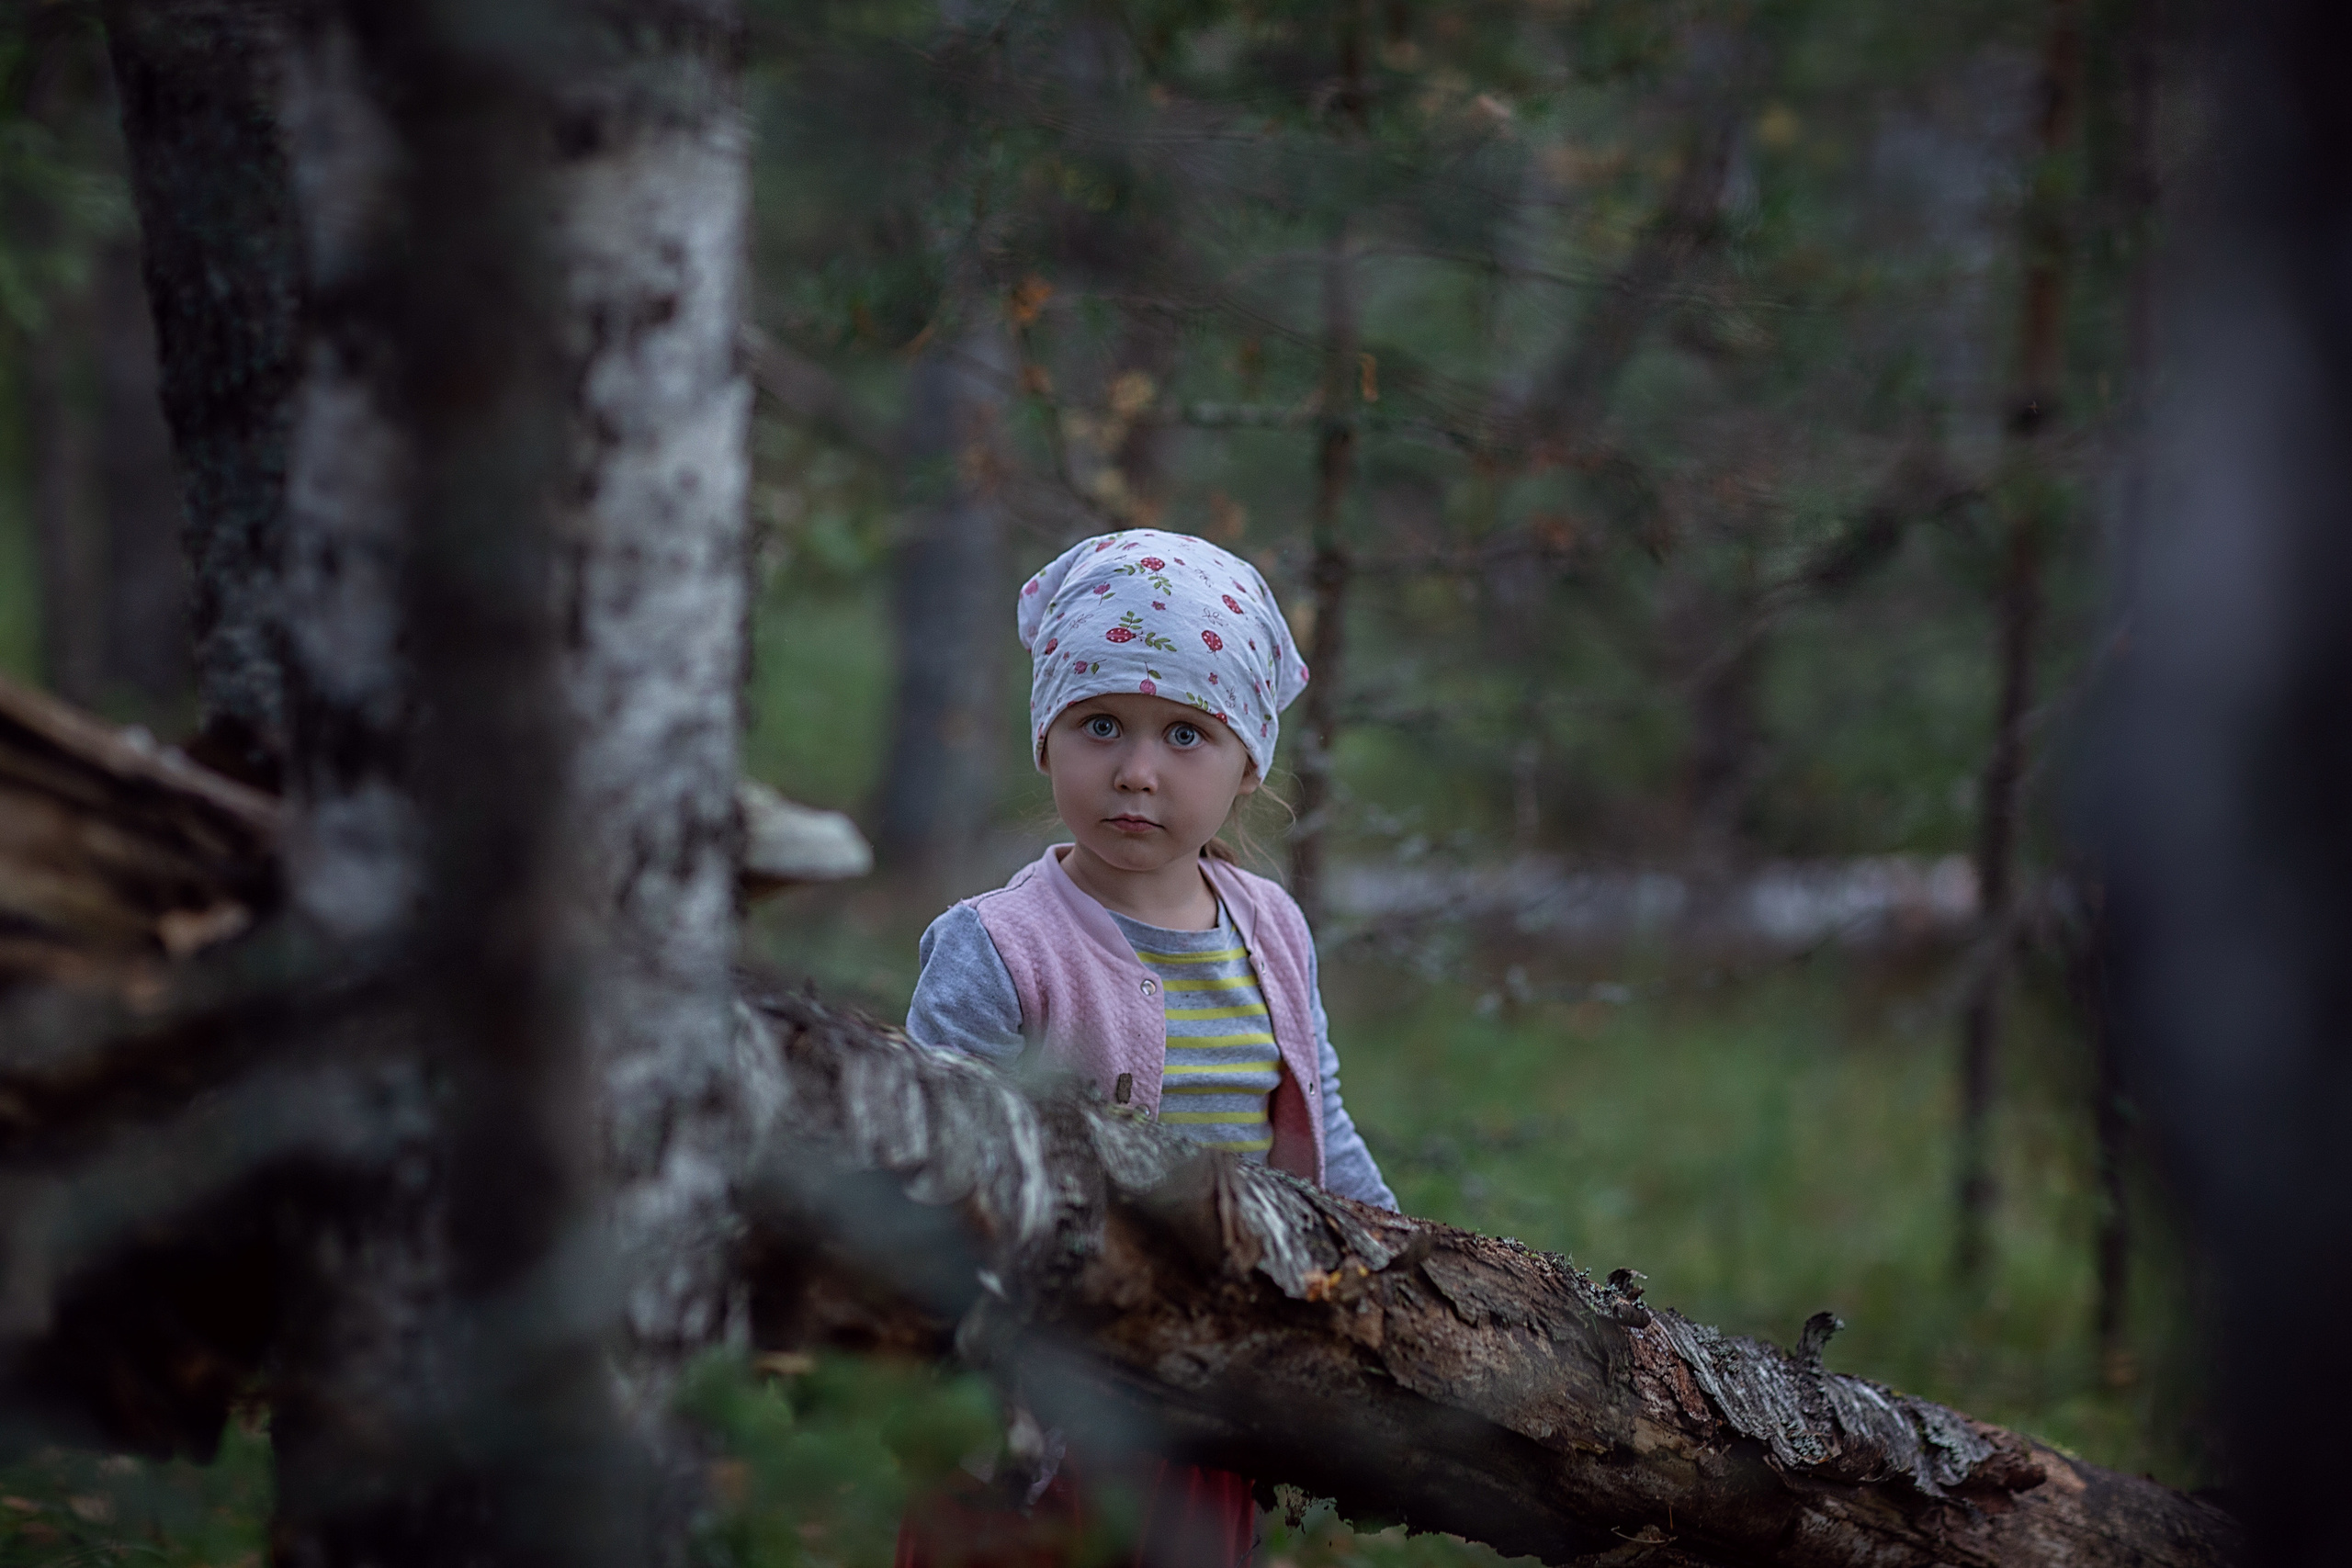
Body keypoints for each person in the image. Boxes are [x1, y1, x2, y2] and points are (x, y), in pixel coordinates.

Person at [899, 527, 1396, 1568]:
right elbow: (929, 1157)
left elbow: (1318, 1120)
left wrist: (1387, 1271)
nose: (1135, 771)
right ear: (1046, 737)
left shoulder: (1271, 928)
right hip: (1023, 1416)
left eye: (1184, 736)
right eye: (1100, 724)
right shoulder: (996, 946)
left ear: (1246, 762)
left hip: (1201, 1401)